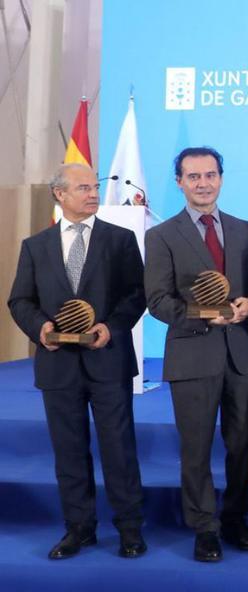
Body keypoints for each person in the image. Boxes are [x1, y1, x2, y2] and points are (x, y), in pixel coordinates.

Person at [8, 163, 147, 560]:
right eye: (83, 187)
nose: (92, 193)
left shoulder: (120, 240)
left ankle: (130, 529)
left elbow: (136, 295)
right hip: (58, 366)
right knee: (68, 451)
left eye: (93, 186)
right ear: (60, 195)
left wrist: (111, 327)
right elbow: (20, 300)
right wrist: (42, 330)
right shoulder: (35, 246)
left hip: (108, 361)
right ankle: (78, 529)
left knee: (119, 449)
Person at [144, 147, 248, 562]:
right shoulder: (161, 235)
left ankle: (235, 518)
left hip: (241, 354)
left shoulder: (245, 229)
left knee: (243, 443)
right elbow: (158, 300)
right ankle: (204, 527)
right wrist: (201, 316)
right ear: (179, 181)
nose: (203, 183)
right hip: (192, 353)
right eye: (193, 176)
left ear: (221, 178)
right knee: (196, 447)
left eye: (210, 175)